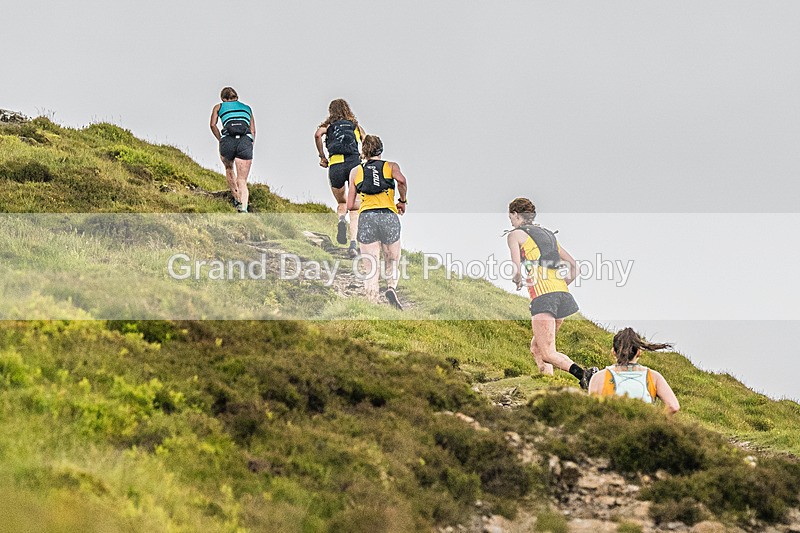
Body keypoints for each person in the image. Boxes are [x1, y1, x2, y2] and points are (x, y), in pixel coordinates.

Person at [506, 197, 598, 389]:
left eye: (510, 217)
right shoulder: (549, 235)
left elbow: (516, 269)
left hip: (543, 296)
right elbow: (574, 266)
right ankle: (547, 385)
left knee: (547, 352)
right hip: (562, 294)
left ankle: (586, 375)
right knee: (537, 348)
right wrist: (562, 285)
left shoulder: (515, 235)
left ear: (515, 215)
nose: (510, 222)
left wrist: (518, 280)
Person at [346, 135, 407, 309]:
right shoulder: (391, 166)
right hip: (388, 215)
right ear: (381, 149)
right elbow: (402, 181)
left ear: (363, 152)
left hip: (367, 218)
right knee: (392, 259)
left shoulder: (355, 172)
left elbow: (350, 205)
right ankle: (390, 287)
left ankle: (372, 303)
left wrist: (366, 203)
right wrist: (402, 200)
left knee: (370, 264)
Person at [315, 99, 367, 257]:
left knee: (342, 202)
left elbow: (317, 135)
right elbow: (365, 138)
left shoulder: (328, 127)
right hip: (354, 164)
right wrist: (364, 154)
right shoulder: (354, 126)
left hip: (336, 164)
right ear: (347, 110)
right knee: (355, 206)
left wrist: (322, 156)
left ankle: (341, 220)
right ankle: (353, 244)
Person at [589, 328, 680, 414]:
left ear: (613, 351)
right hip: (644, 429)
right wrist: (655, 421)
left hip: (611, 428)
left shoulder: (599, 377)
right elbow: (674, 406)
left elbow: (590, 412)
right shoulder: (654, 376)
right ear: (639, 352)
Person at [210, 87, 255, 213]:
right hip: (244, 141)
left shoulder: (218, 107)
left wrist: (220, 139)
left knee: (229, 168)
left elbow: (213, 125)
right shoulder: (247, 108)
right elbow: (253, 130)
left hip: (227, 141)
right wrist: (250, 143)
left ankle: (236, 199)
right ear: (237, 97)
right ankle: (244, 207)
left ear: (223, 98)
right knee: (242, 180)